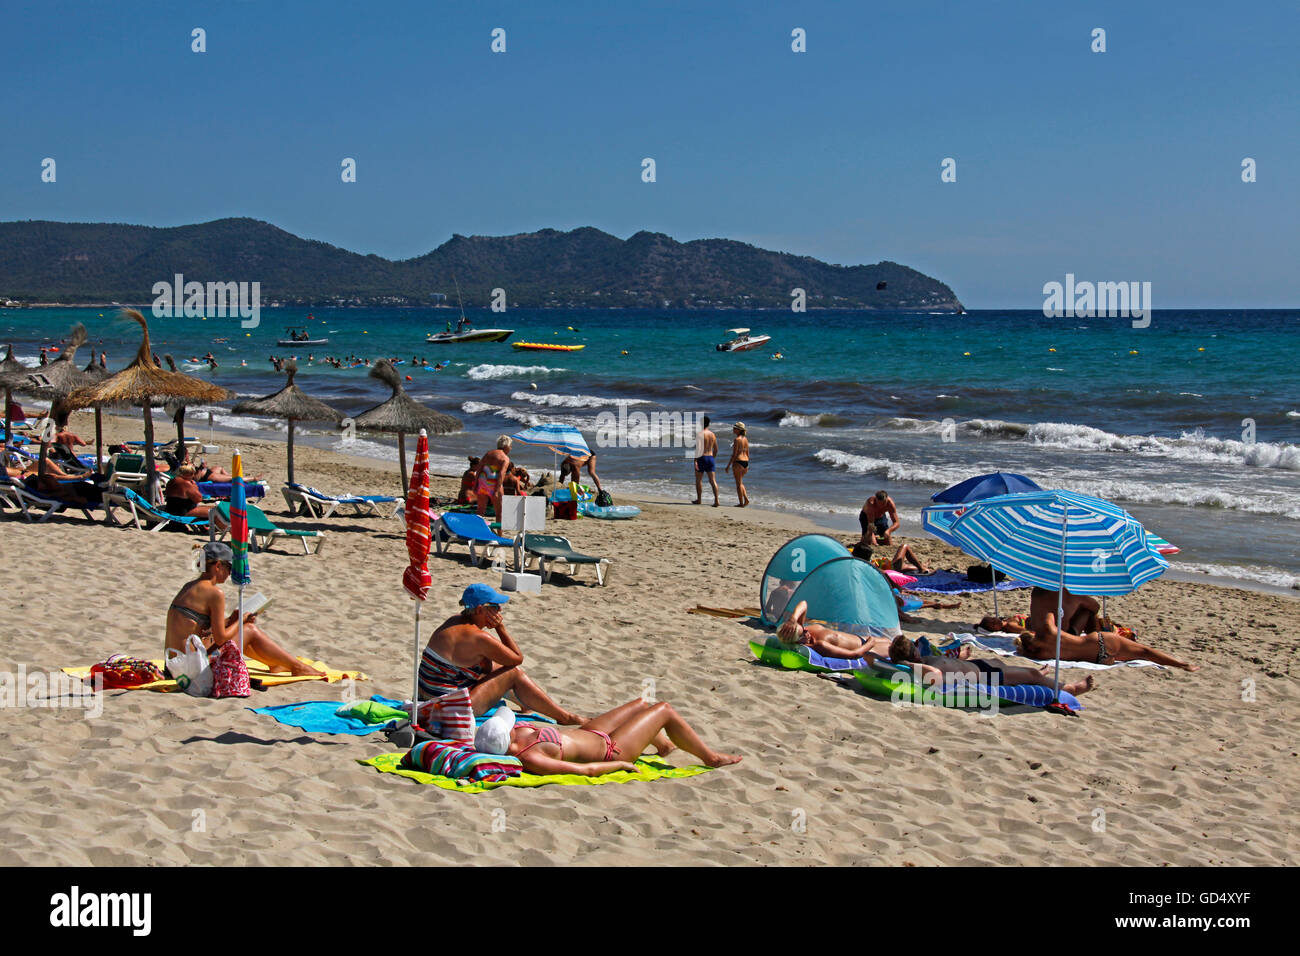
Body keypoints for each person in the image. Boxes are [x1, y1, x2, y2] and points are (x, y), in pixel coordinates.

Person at [420, 583, 583, 723]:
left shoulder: (453, 621)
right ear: (479, 610)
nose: (499, 611)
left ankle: (527, 704)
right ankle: (565, 717)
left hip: (428, 696)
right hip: (448, 709)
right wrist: (500, 628)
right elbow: (517, 659)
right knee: (512, 672)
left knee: (492, 665)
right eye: (495, 607)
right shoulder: (479, 638)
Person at [165, 542, 323, 677]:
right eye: (229, 568)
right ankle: (297, 667)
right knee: (249, 630)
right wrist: (241, 621)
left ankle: (275, 663)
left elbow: (201, 629)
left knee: (240, 628)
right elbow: (221, 639)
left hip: (172, 666)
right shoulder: (214, 593)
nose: (230, 573)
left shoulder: (189, 586)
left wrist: (231, 621)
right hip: (191, 670)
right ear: (218, 566)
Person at [502, 698, 741, 775]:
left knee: (641, 704)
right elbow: (587, 771)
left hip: (589, 734)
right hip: (610, 750)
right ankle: (711, 758)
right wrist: (621, 764)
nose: (511, 726)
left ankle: (666, 747)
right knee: (664, 709)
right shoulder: (530, 757)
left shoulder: (519, 731)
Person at [1026, 587, 1198, 670]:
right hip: (1099, 641)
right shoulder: (1050, 630)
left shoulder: (1040, 652)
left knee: (1141, 653)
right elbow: (1094, 607)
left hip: (1098, 658)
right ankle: (1182, 664)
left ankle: (1181, 664)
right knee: (1145, 651)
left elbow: (1043, 620)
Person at [889, 635, 1096, 697]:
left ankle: (1038, 675)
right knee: (1032, 674)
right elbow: (936, 674)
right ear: (913, 654)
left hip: (980, 666)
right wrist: (906, 663)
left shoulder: (925, 658)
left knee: (999, 662)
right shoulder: (922, 668)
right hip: (983, 678)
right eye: (914, 647)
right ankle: (1070, 689)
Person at [777, 600, 902, 660]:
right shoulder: (819, 645)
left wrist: (793, 619)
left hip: (861, 638)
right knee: (897, 650)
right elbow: (854, 655)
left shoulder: (803, 632)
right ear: (799, 643)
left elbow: (804, 604)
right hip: (868, 648)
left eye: (803, 628)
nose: (806, 631)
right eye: (803, 633)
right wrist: (870, 644)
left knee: (892, 641)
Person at [473, 436, 512, 517]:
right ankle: (500, 530)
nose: (511, 448)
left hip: (483, 482)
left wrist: (476, 484)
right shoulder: (505, 458)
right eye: (510, 446)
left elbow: (479, 469)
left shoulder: (488, 453)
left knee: (480, 511)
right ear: (506, 446)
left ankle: (477, 529)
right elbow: (501, 474)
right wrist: (497, 490)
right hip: (494, 484)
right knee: (499, 512)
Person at [693, 416, 719, 507]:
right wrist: (712, 458)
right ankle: (716, 500)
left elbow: (698, 449)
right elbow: (716, 449)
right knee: (713, 480)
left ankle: (699, 500)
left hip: (701, 457)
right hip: (710, 458)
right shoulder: (712, 434)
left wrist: (695, 460)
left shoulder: (700, 434)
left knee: (698, 480)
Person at [724, 422, 750, 507]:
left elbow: (734, 454)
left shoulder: (737, 440)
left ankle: (741, 503)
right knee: (740, 482)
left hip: (738, 462)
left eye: (735, 428)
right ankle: (745, 500)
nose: (733, 429)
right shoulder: (745, 439)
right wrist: (747, 464)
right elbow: (747, 453)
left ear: (739, 430)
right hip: (745, 462)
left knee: (738, 484)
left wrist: (728, 466)